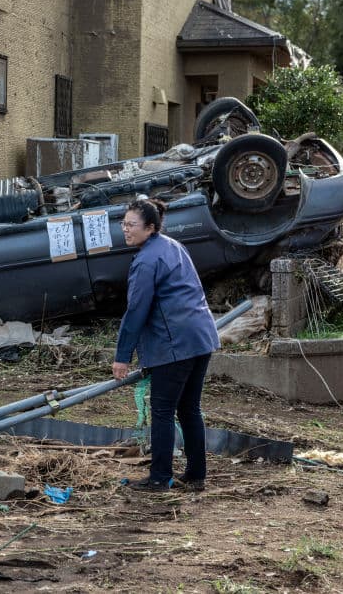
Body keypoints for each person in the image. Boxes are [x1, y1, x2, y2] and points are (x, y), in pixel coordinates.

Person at [111, 199, 220, 492]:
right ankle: (196, 475)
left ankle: (160, 477)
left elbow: (136, 310)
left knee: (162, 410)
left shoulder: (147, 260)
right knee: (189, 409)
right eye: (124, 224)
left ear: (150, 227)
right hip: (200, 338)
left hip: (176, 343)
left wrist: (122, 357)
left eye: (131, 225)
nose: (125, 230)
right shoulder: (173, 246)